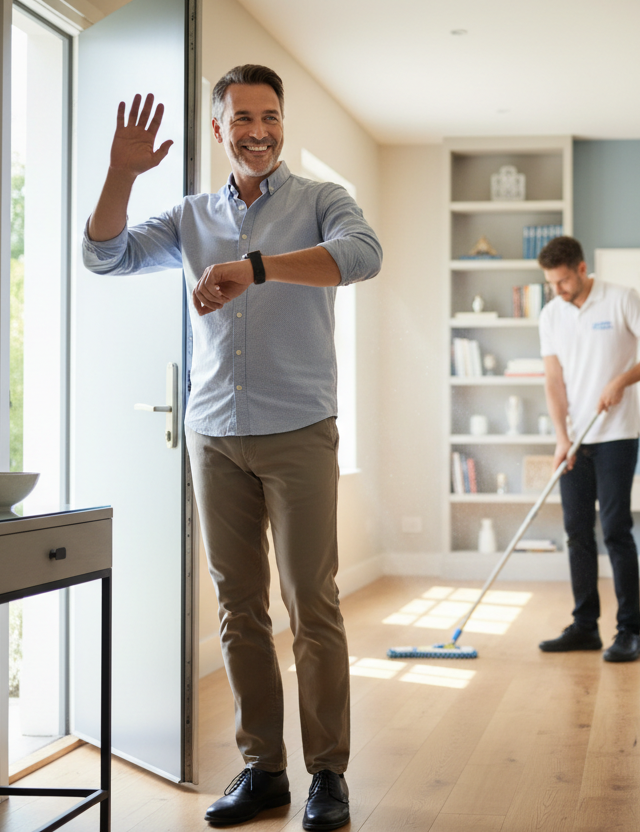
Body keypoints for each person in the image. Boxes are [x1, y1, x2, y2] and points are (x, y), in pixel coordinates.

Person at [82, 65, 380, 831]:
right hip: (213, 434)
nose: (258, 131)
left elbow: (361, 255)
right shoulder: (189, 216)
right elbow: (105, 258)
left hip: (299, 430)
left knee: (311, 602)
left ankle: (328, 775)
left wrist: (255, 269)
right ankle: (265, 770)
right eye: (242, 118)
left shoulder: (320, 201)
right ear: (218, 129)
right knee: (238, 609)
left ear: (284, 123)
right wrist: (120, 173)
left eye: (271, 116)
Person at [536, 236, 640, 662]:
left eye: (562, 281)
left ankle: (629, 632)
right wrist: (561, 437)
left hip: (617, 434)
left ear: (581, 269)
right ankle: (584, 627)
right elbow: (553, 382)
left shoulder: (621, 299)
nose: (557, 291)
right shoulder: (551, 314)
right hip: (576, 439)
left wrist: (621, 381)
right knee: (577, 533)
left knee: (615, 530)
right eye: (550, 284)